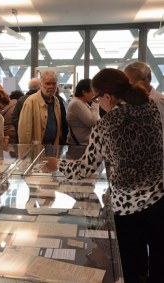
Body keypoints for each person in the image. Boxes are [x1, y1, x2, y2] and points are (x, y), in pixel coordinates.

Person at [43, 68, 164, 283]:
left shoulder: (106, 125)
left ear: (107, 97)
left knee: (131, 267)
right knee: (158, 262)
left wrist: (58, 164)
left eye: (98, 97)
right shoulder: (152, 107)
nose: (98, 102)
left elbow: (84, 170)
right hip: (158, 198)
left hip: (127, 208)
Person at [18, 71, 61, 145]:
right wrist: (25, 152)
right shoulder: (30, 101)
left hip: (53, 146)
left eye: (54, 83)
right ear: (41, 85)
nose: (51, 87)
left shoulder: (56, 101)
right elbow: (24, 131)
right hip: (36, 148)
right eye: (47, 83)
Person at [66, 79, 99, 145]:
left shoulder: (82, 103)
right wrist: (95, 104)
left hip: (82, 144)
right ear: (84, 92)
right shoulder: (77, 104)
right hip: (79, 145)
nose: (95, 94)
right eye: (93, 91)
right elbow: (93, 122)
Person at [11, 78, 40, 142]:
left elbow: (14, 117)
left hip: (22, 137)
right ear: (40, 87)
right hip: (38, 136)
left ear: (28, 87)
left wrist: (21, 128)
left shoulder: (21, 99)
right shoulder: (40, 100)